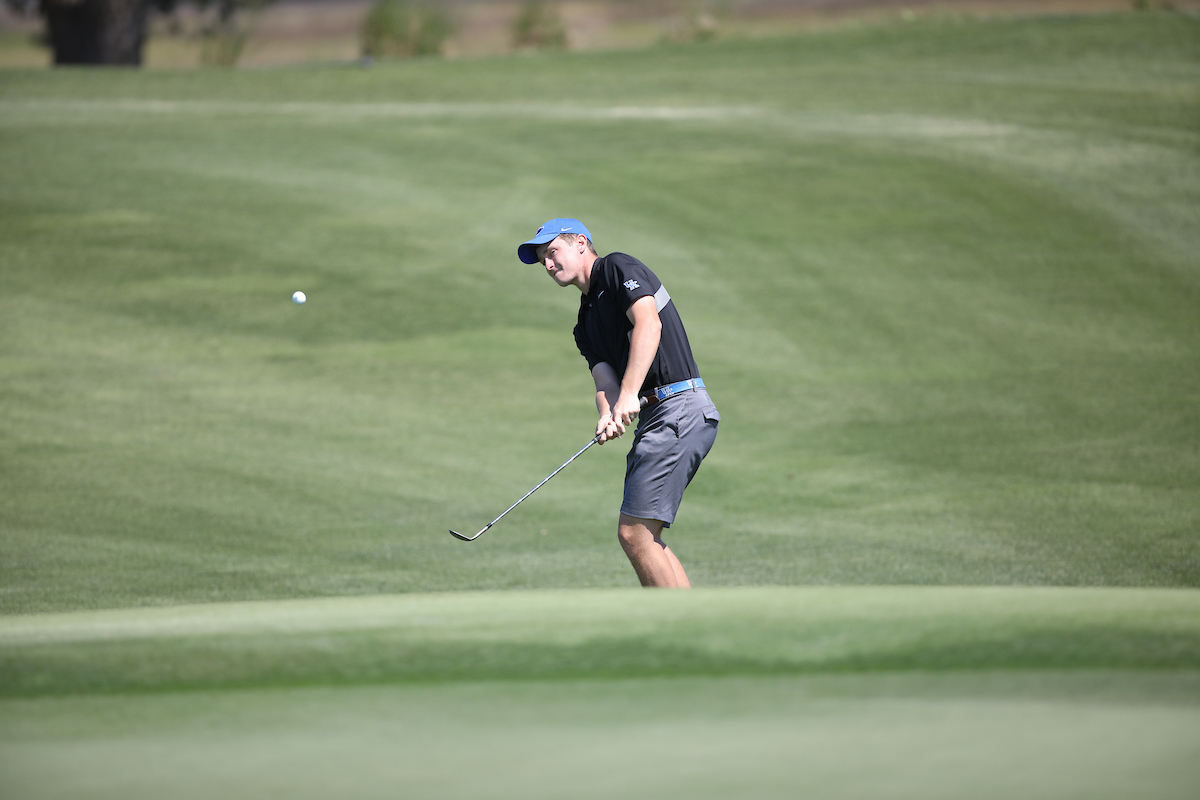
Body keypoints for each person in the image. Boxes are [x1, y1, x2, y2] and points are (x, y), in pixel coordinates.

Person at [518, 218, 720, 588]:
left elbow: (649, 324)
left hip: (679, 406)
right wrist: (607, 413)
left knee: (634, 534)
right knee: (645, 535)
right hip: (659, 418)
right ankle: (694, 620)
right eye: (542, 260)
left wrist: (629, 395)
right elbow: (604, 381)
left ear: (581, 243)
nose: (547, 265)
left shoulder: (615, 267)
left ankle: (679, 628)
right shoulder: (583, 323)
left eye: (552, 252)